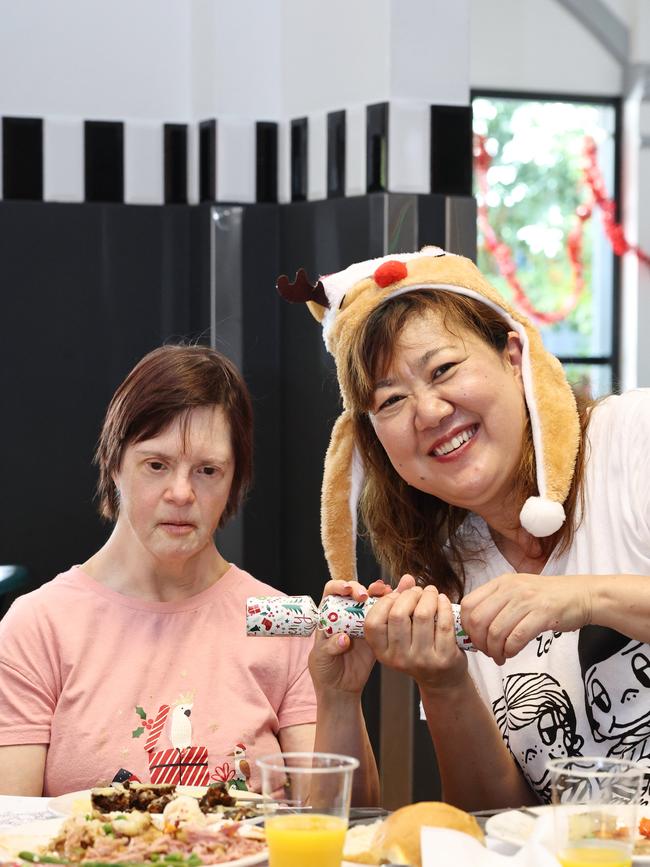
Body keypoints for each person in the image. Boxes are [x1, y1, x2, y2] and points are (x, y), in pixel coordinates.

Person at [278, 248, 650, 809]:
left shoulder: (631, 438)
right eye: (392, 400)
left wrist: (583, 597)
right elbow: (496, 816)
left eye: (444, 369)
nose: (427, 412)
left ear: (513, 355)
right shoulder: (450, 572)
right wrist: (445, 681)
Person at [0, 344, 380, 802]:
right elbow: (12, 833)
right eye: (156, 465)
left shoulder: (282, 620)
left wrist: (340, 700)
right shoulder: (38, 627)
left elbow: (349, 820)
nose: (181, 493)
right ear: (116, 463)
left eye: (207, 470)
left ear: (236, 479)